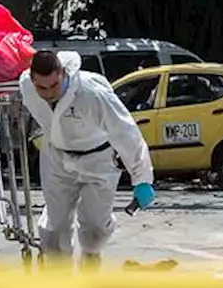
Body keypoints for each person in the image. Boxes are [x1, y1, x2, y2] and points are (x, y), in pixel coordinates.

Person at [19, 49, 155, 267]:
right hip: (56, 156)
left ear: (63, 73)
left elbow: (126, 133)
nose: (48, 93)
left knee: (95, 228)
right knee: (55, 225)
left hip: (98, 159)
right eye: (41, 88)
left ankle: (91, 256)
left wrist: (142, 179)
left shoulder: (91, 93)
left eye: (54, 85)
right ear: (32, 79)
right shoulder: (25, 84)